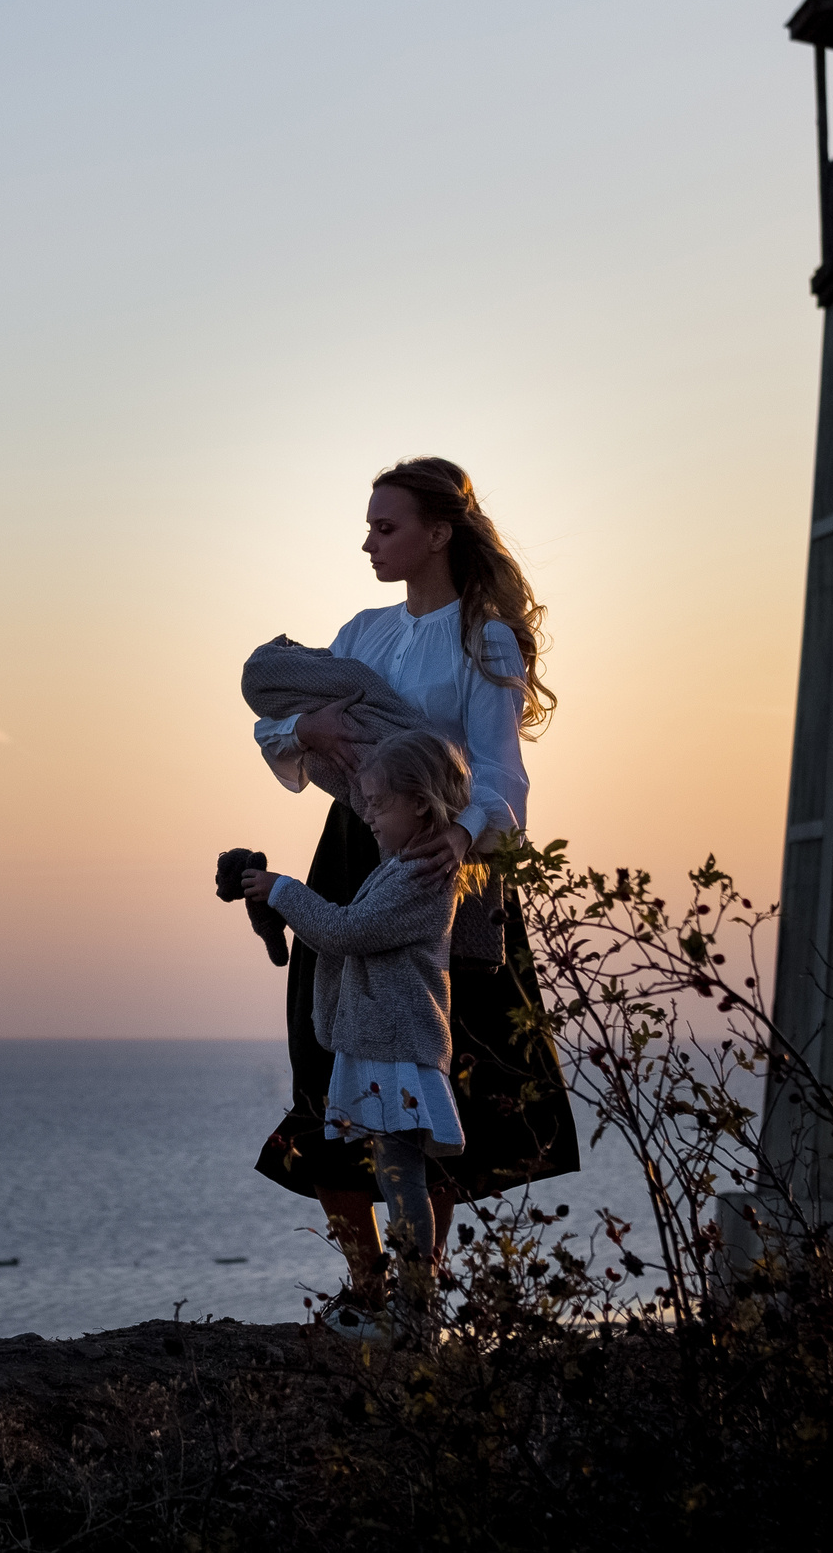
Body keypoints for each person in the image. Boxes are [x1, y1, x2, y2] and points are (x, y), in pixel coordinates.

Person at [250, 456, 579, 1333]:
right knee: (322, 1062)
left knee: (429, 1078)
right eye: (367, 525)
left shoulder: (485, 638)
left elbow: (503, 775)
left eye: (386, 526)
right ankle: (363, 1288)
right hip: (347, 851)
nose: (369, 541)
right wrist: (303, 728)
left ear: (439, 533)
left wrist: (462, 838)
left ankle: (414, 1301)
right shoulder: (360, 632)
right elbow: (272, 721)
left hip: (444, 866)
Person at [240, 730, 472, 1334]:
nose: (366, 816)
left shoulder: (420, 875)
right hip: (381, 1045)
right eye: (363, 804)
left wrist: (283, 892)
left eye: (379, 804)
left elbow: (345, 931)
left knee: (403, 1177)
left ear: (421, 803)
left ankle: (415, 1311)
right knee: (396, 1174)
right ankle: (410, 1305)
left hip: (397, 1050)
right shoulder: (401, 866)